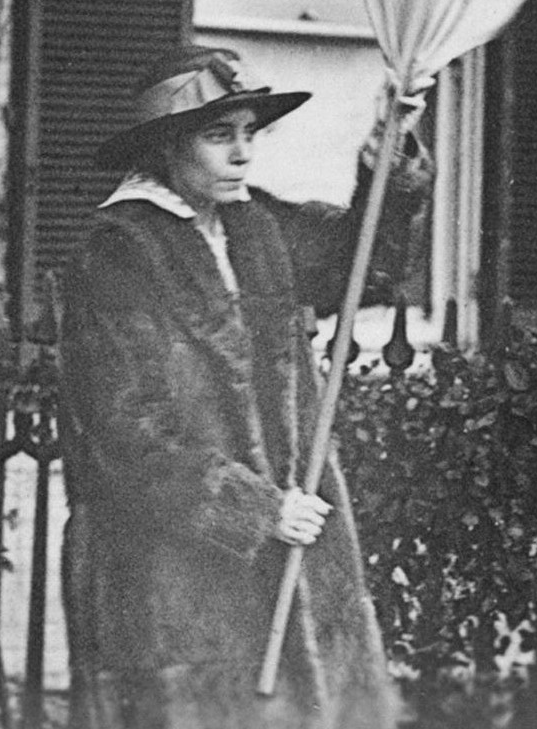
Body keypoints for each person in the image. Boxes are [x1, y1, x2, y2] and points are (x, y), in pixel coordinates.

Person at [60, 44, 430, 729]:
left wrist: (389, 157)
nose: (242, 154)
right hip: (177, 582)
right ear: (167, 145)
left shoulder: (255, 227)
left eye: (249, 134)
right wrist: (255, 510)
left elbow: (363, 271)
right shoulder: (116, 253)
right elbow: (122, 432)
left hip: (292, 569)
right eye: (218, 134)